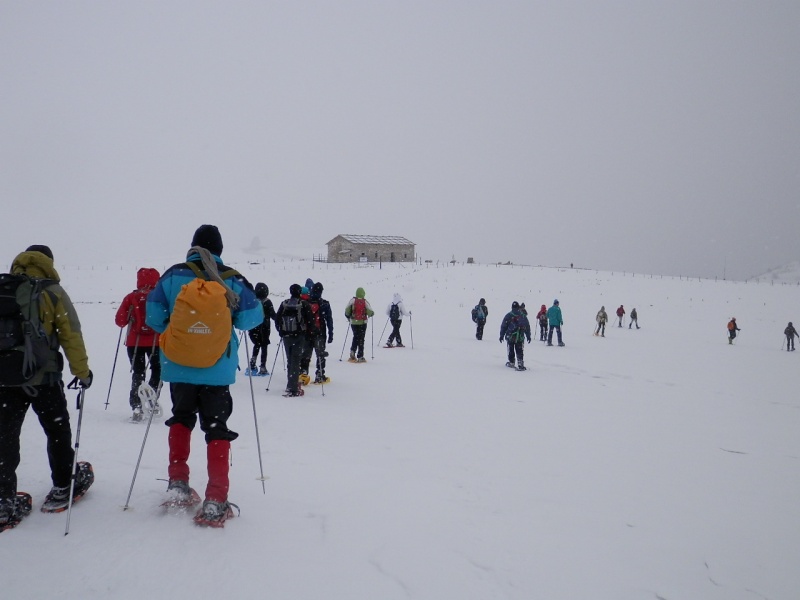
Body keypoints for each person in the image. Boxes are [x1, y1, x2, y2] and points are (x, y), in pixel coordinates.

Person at [145, 225, 262, 526]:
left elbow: (154, 318)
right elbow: (252, 319)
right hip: (217, 370)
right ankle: (215, 499)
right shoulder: (230, 278)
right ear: (220, 249)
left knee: (181, 417)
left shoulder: (172, 275)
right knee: (216, 427)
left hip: (179, 366)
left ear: (193, 246)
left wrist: (183, 335)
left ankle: (178, 484)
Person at [0, 245, 94, 525]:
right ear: (48, 263)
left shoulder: (3, 289)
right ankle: (64, 483)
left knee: (5, 436)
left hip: (5, 380)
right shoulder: (52, 292)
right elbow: (71, 335)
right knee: (56, 429)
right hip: (44, 378)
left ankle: (3, 500)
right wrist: (83, 371)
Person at [115, 267, 161, 421]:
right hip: (157, 342)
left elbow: (120, 321)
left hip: (134, 343)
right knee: (158, 370)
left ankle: (136, 406)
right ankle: (151, 397)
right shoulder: (160, 297)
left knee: (138, 372)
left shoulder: (131, 297)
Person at [276, 284, 313, 395]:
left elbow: (277, 319)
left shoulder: (285, 304)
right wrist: (311, 333)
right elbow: (310, 320)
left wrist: (281, 331)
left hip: (286, 336)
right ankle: (293, 388)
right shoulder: (303, 304)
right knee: (296, 360)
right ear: (299, 292)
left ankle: (290, 384)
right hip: (299, 336)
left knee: (290, 360)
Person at [302, 282, 333, 384]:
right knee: (320, 354)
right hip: (320, 333)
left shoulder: (306, 303)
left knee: (306, 354)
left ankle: (304, 374)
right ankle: (320, 375)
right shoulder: (325, 304)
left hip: (307, 332)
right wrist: (331, 333)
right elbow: (329, 320)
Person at [247, 283, 276, 376]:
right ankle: (263, 366)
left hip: (254, 326)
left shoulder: (253, 301)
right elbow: (273, 315)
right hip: (265, 328)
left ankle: (252, 363)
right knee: (264, 346)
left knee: (256, 344)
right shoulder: (267, 302)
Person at [345, 287, 374, 362]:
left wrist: (349, 317)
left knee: (355, 336)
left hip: (353, 322)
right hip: (362, 323)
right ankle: (360, 356)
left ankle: (352, 351)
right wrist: (371, 314)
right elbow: (370, 312)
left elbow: (347, 311)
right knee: (361, 338)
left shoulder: (352, 300)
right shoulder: (365, 302)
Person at [500, 301, 532, 370]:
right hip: (520, 336)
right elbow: (527, 326)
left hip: (510, 336)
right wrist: (528, 336)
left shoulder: (508, 315)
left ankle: (511, 362)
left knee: (510, 349)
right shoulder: (523, 316)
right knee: (519, 350)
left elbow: (504, 326)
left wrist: (501, 335)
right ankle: (520, 363)